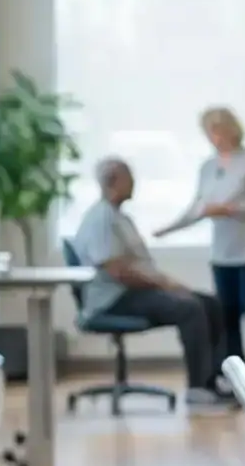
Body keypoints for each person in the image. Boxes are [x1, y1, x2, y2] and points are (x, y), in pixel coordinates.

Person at [72, 156, 234, 412]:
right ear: (114, 182)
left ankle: (215, 381)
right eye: (129, 177)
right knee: (189, 308)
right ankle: (198, 387)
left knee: (210, 304)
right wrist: (165, 285)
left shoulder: (117, 216)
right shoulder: (101, 219)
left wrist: (167, 284)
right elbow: (117, 271)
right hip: (114, 299)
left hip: (131, 292)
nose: (134, 182)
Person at [153, 106, 245, 395]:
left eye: (218, 129)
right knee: (228, 317)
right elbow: (198, 208)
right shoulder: (208, 167)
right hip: (224, 255)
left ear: (231, 129)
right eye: (210, 131)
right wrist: (168, 229)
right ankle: (238, 381)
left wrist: (229, 209)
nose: (215, 137)